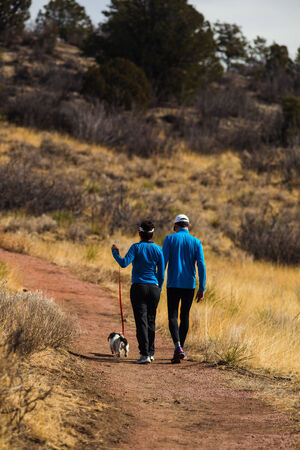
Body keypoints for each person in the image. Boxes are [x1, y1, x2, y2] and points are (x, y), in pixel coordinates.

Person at [111, 220, 164, 364]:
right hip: (154, 288)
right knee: (151, 320)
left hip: (138, 287)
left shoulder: (136, 247)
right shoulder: (159, 250)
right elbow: (161, 274)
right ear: (152, 234)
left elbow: (123, 263)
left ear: (140, 233)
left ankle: (144, 354)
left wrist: (115, 253)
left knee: (141, 321)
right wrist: (158, 289)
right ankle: (151, 353)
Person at [162, 214, 206, 364]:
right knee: (185, 316)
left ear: (176, 226)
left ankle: (178, 347)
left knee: (173, 316)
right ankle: (180, 350)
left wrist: (159, 282)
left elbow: (163, 263)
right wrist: (202, 287)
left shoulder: (169, 239)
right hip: (189, 285)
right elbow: (201, 265)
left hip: (173, 284)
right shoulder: (196, 242)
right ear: (188, 226)